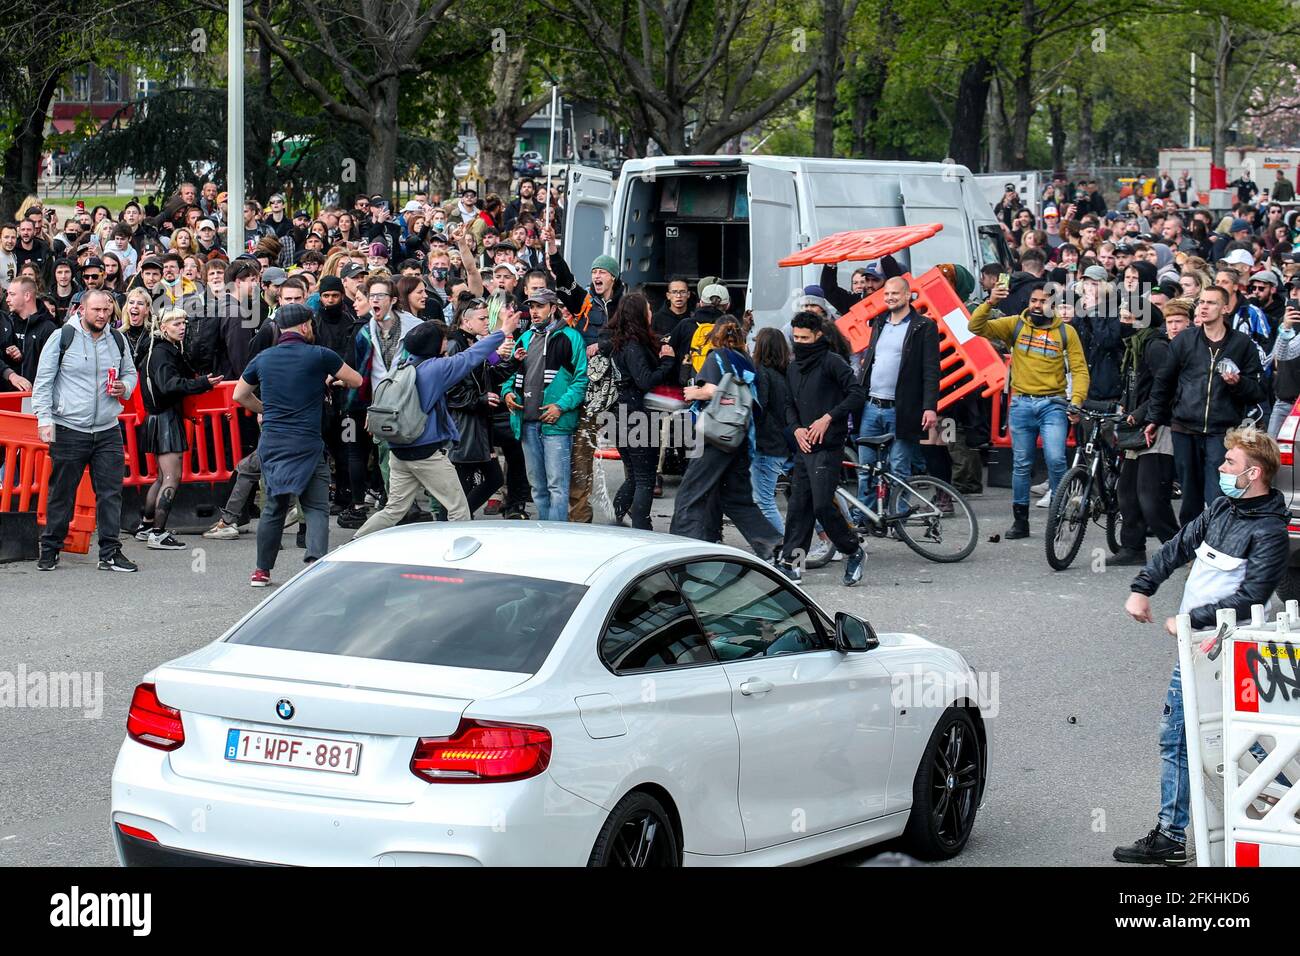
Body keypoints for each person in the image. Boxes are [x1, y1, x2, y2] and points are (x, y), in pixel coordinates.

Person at [1116, 427, 1289, 865]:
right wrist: (1143, 587)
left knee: (1189, 740)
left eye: (1229, 463)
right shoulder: (1219, 509)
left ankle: (1172, 837)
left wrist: (1190, 619)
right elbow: (1175, 547)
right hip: (1200, 647)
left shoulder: (1269, 531)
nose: (1221, 467)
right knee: (1233, 742)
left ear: (1253, 473)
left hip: (1231, 650)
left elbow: (1251, 595)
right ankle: (1282, 815)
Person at [354, 313, 519, 536]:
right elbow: (471, 356)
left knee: (394, 510)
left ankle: (354, 542)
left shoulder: (402, 366)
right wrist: (503, 332)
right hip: (425, 455)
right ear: (432, 345)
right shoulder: (435, 370)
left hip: (399, 451)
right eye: (443, 339)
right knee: (459, 510)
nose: (447, 342)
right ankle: (454, 560)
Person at [233, 303, 363, 587]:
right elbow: (356, 379)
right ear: (305, 326)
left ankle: (261, 571)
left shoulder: (264, 358)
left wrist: (265, 409)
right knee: (316, 506)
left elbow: (239, 394)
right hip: (307, 442)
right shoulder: (320, 355)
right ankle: (315, 564)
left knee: (274, 507)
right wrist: (329, 377)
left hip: (274, 443)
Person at [969, 280, 1090, 538]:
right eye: (1033, 301)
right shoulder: (1015, 324)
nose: (1037, 305)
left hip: (1053, 405)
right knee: (1021, 464)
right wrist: (991, 302)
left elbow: (1080, 370)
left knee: (1056, 460)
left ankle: (1057, 514)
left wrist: (1077, 399)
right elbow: (975, 326)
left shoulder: (1067, 333)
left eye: (1043, 301)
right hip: (1021, 404)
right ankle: (1020, 521)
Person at [30, 290, 139, 572]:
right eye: (96, 310)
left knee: (111, 492)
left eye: (107, 310)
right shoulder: (62, 336)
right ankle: (51, 548)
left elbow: (131, 373)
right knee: (62, 493)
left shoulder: (117, 339)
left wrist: (124, 387)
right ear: (81, 310)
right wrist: (44, 419)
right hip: (69, 428)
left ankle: (111, 552)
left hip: (107, 429)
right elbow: (43, 381)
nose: (102, 315)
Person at [1145, 286, 1266, 525]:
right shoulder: (1185, 340)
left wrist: (1237, 383)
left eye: (1211, 302)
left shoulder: (1242, 344)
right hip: (1184, 426)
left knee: (1217, 492)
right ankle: (1191, 547)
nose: (1204, 306)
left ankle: (1218, 544)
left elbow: (1257, 391)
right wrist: (1154, 419)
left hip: (1222, 430)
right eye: (1201, 302)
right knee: (1189, 494)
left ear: (1225, 308)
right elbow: (1164, 382)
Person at [668, 319, 782, 560]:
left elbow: (713, 389)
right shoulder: (746, 360)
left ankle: (679, 551)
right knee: (736, 498)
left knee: (691, 493)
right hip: (739, 435)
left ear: (713, 337)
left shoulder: (716, 356)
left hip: (715, 436)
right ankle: (773, 545)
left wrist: (694, 392)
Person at [777, 311, 867, 586]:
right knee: (797, 506)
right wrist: (796, 429)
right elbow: (788, 405)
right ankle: (791, 563)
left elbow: (857, 394)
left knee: (821, 506)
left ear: (818, 335)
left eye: (805, 337)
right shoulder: (793, 367)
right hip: (804, 445)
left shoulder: (833, 362)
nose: (800, 342)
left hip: (828, 446)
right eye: (796, 338)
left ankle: (853, 550)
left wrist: (828, 418)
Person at [134, 308, 221, 550]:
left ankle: (146, 527)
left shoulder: (161, 350)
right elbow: (168, 385)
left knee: (161, 477)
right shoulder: (163, 353)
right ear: (163, 327)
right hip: (165, 419)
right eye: (175, 323)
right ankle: (158, 533)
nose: (181, 327)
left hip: (157, 418)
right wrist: (202, 383)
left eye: (183, 322)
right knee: (171, 478)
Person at [854, 276, 940, 504]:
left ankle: (898, 518)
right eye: (886, 294)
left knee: (899, 469)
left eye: (895, 294)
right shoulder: (879, 321)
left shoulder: (924, 326)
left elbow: (931, 370)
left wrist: (930, 407)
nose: (890, 298)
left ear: (907, 296)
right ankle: (865, 517)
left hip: (902, 408)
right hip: (872, 405)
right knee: (866, 469)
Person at [504, 288, 588, 520]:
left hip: (557, 424)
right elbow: (510, 374)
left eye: (540, 306)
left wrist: (560, 406)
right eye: (531, 306)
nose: (534, 311)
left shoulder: (572, 337)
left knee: (558, 488)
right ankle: (544, 536)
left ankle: (557, 541)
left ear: (553, 309)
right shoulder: (525, 337)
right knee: (538, 489)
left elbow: (581, 380)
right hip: (527, 423)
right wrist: (508, 394)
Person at [1112, 294, 1178, 565]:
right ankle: (1132, 548)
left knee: (1150, 496)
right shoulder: (1134, 346)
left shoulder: (1155, 346)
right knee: (1127, 491)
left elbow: (1168, 387)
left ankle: (1179, 549)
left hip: (1157, 427)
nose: (1124, 322)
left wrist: (1142, 414)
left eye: (1130, 317)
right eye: (1123, 317)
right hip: (1137, 426)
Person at [607, 292, 675, 529]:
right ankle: (641, 528)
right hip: (635, 416)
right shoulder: (633, 345)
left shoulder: (620, 342)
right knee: (645, 479)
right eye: (647, 309)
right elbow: (645, 380)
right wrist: (667, 362)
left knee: (635, 477)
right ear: (639, 314)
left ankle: (615, 519)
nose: (651, 313)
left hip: (620, 415)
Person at [443, 295, 516, 515]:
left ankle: (458, 519)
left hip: (478, 424)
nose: (487, 322)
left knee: (491, 479)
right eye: (482, 318)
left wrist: (515, 361)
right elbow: (451, 392)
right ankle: (454, 521)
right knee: (467, 484)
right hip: (463, 427)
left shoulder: (475, 342)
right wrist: (480, 400)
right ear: (466, 321)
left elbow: (492, 372)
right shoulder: (456, 343)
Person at [751, 328, 794, 535]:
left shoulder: (762, 372)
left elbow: (760, 406)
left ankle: (780, 548)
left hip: (767, 444)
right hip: (785, 442)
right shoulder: (786, 372)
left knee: (764, 501)